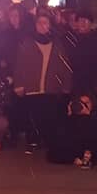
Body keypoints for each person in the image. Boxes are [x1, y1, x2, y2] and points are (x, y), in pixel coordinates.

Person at [12, 11, 73, 151]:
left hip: (51, 87)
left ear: (50, 25)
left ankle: (46, 140)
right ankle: (33, 139)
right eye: (39, 22)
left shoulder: (57, 43)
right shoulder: (27, 42)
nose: (42, 25)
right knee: (33, 115)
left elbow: (64, 66)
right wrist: (19, 84)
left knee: (48, 115)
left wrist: (66, 86)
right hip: (31, 86)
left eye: (45, 22)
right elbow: (20, 64)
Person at [47, 92, 97, 166]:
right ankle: (76, 159)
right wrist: (70, 113)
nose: (84, 105)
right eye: (81, 103)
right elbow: (63, 134)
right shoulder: (72, 117)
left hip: (90, 144)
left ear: (92, 104)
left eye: (87, 103)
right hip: (76, 145)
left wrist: (87, 114)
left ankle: (88, 157)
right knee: (56, 150)